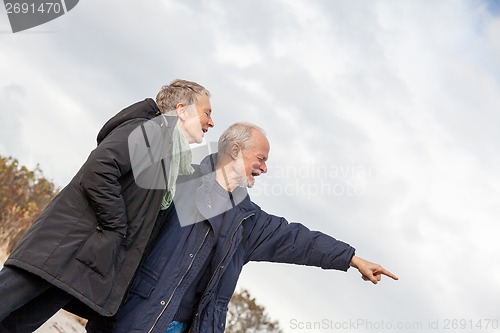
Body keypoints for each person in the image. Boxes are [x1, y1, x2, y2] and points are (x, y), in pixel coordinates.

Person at [85, 122, 398, 333]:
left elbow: (299, 240)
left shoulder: (249, 221)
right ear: (234, 150)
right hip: (134, 316)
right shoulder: (179, 181)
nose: (264, 168)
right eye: (260, 158)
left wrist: (352, 258)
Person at [0, 79, 214, 332]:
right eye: (207, 113)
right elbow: (100, 169)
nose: (211, 122)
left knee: (14, 326)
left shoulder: (170, 154)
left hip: (81, 261)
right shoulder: (152, 132)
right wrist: (117, 226)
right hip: (61, 249)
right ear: (182, 110)